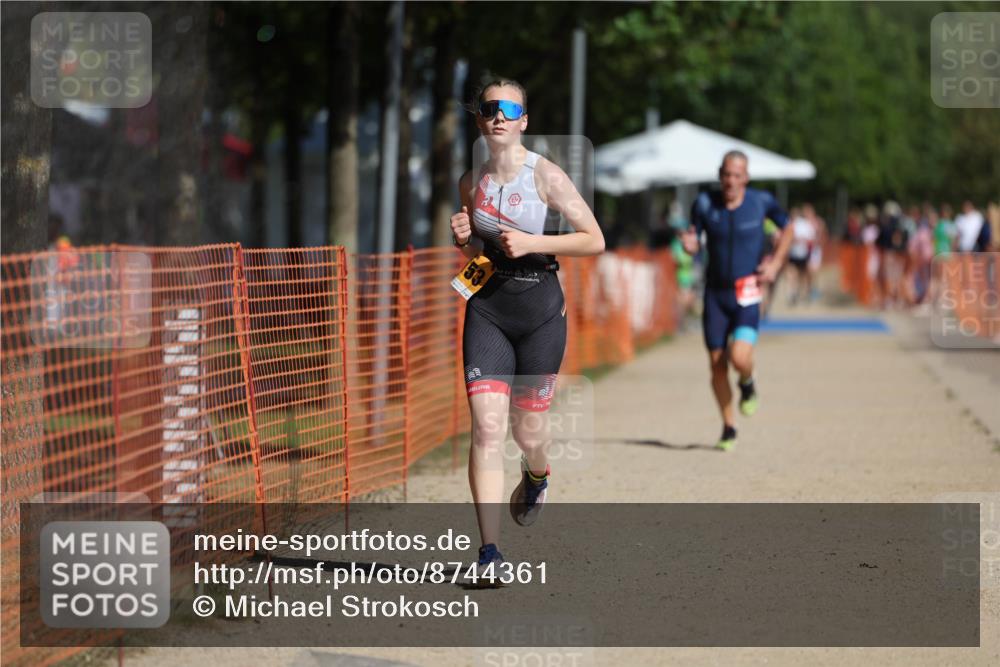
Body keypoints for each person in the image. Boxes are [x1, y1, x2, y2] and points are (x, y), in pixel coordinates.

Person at [450, 76, 605, 581]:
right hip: (488, 309)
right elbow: (477, 252)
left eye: (508, 108)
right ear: (479, 118)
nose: (498, 115)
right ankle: (489, 552)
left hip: (539, 311)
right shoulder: (469, 183)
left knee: (527, 430)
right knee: (487, 429)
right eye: (489, 107)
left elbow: (594, 239)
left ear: (523, 121)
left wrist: (536, 244)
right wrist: (464, 241)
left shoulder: (547, 177)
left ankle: (537, 474)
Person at [681, 151, 792, 451]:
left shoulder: (761, 202)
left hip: (746, 293)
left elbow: (788, 228)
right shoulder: (704, 204)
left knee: (739, 357)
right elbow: (694, 238)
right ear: (720, 175)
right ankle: (729, 425)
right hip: (715, 295)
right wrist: (689, 246)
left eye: (737, 174)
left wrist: (775, 263)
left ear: (746, 177)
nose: (731, 180)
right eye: (726, 174)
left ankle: (747, 380)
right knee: (717, 366)